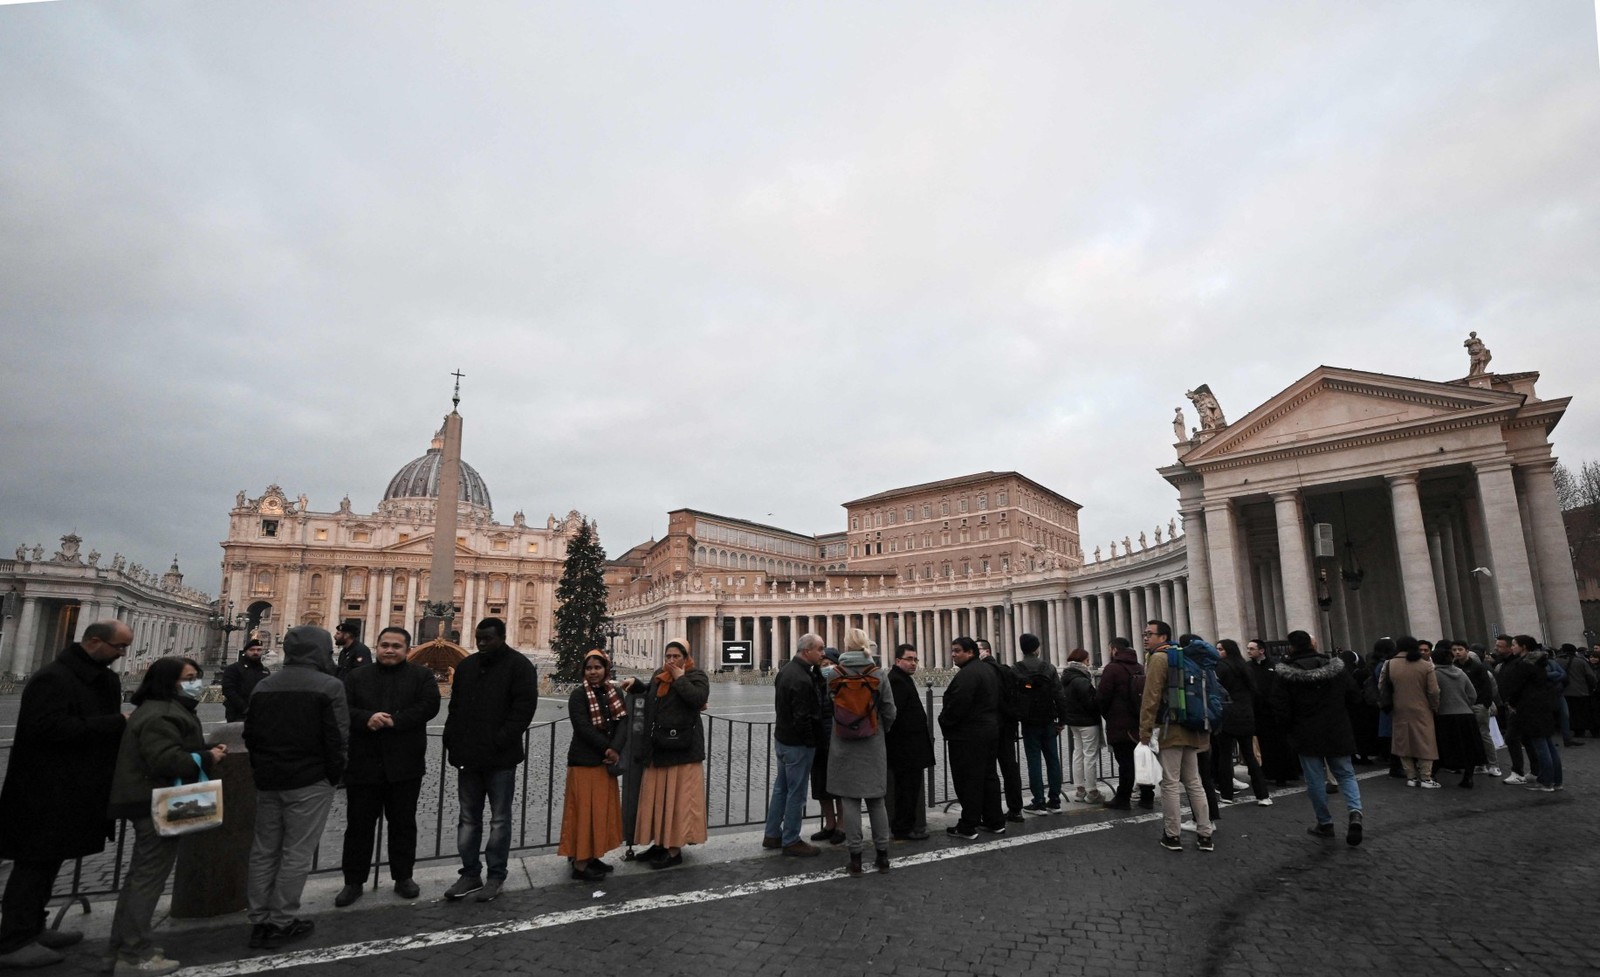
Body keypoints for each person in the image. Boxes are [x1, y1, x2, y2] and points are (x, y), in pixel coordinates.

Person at [0, 621, 128, 969]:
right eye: (118, 646)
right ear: (94, 641)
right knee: (33, 863)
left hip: (73, 785)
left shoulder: (99, 677)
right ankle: (13, 940)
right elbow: (46, 730)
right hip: (42, 788)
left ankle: (34, 926)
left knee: (49, 860)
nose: (122, 654)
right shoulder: (52, 679)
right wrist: (114, 723)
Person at [106, 658, 225, 976]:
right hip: (157, 803)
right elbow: (165, 760)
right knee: (147, 880)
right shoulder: (162, 713)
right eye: (189, 677)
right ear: (168, 681)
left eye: (197, 677)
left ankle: (123, 945)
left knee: (139, 878)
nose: (196, 682)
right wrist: (207, 756)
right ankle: (134, 955)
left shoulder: (157, 708)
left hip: (152, 799)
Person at [242, 625, 348, 950]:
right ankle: (282, 921)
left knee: (264, 851)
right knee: (296, 853)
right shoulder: (330, 685)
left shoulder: (264, 685)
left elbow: (251, 734)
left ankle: (258, 919)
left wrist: (263, 768)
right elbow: (339, 738)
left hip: (269, 779)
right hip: (310, 781)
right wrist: (333, 775)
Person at [335, 627, 440, 907]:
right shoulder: (356, 676)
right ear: (377, 646)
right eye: (385, 645)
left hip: (404, 763)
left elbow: (430, 706)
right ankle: (353, 881)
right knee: (358, 826)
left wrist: (397, 720)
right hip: (363, 763)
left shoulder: (421, 676)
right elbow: (343, 708)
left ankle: (403, 876)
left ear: (407, 649)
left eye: (396, 646)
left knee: (403, 824)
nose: (390, 650)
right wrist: (366, 718)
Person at [442, 617, 539, 901]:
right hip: (468, 757)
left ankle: (496, 875)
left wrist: (500, 740)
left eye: (487, 639)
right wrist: (451, 738)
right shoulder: (467, 666)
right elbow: (455, 707)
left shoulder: (519, 666)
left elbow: (524, 709)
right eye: (478, 639)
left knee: (499, 820)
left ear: (502, 637)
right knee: (468, 819)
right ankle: (470, 874)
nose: (482, 644)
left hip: (500, 758)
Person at [1272, 629, 1365, 846]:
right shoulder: (1336, 667)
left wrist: (1287, 729)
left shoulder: (1285, 673)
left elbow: (1280, 706)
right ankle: (1355, 813)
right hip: (1337, 727)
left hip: (1305, 731)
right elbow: (1353, 695)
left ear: (1291, 647)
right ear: (1312, 645)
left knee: (1314, 779)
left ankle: (1325, 822)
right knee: (1346, 774)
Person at [627, 640, 710, 869]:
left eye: (676, 656)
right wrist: (636, 685)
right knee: (659, 799)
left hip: (683, 749)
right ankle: (660, 844)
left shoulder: (696, 676)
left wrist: (680, 677)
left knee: (677, 801)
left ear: (685, 657)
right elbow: (651, 692)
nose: (671, 661)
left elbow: (697, 699)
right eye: (668, 656)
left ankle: (674, 851)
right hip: (659, 746)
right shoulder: (659, 674)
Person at [1137, 620, 1214, 853]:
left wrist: (1144, 731)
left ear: (1163, 637)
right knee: (1194, 782)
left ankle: (1172, 835)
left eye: (1149, 634)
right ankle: (1205, 834)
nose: (1145, 638)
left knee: (1170, 783)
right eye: (1145, 633)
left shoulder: (1159, 659)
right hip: (1192, 726)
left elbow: (1150, 698)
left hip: (1170, 729)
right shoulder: (1185, 657)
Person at [826, 629, 897, 875]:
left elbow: (829, 706)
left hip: (843, 743)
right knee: (877, 801)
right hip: (872, 742)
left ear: (846, 646)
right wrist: (879, 730)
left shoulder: (833, 674)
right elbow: (890, 710)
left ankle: (855, 859)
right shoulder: (879, 674)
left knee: (850, 801)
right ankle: (883, 856)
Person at [559, 652, 628, 881]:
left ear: (605, 669)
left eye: (597, 667)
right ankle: (579, 863)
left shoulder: (614, 693)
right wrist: (607, 748)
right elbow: (582, 727)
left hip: (604, 763)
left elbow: (622, 722)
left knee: (598, 812)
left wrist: (616, 748)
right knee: (583, 813)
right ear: (584, 671)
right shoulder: (579, 695)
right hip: (584, 761)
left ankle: (592, 855)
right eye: (589, 668)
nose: (593, 671)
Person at [762, 633, 825, 857]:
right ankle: (791, 839)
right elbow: (803, 717)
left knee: (781, 789)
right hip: (797, 744)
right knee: (796, 793)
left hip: (782, 739)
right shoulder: (801, 678)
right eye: (819, 649)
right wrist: (811, 742)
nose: (823, 653)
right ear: (806, 651)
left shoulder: (786, 671)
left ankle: (772, 834)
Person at [939, 637, 1004, 839]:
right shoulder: (988, 670)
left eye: (957, 651)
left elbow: (958, 706)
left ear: (970, 652)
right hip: (990, 731)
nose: (953, 654)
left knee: (969, 780)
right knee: (989, 777)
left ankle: (968, 825)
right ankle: (995, 821)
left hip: (969, 735)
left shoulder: (968, 674)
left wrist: (944, 721)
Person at [1498, 635, 1563, 792]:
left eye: (1514, 645)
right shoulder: (1540, 662)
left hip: (1529, 708)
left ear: (1524, 647)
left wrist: (1511, 702)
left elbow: (1516, 687)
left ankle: (1546, 782)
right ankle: (1557, 781)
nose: (1512, 647)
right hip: (1542, 706)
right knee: (1548, 744)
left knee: (1540, 745)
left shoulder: (1524, 665)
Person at [1013, 634, 1068, 814]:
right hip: (1048, 720)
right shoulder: (1048, 667)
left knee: (1034, 761)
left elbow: (1012, 696)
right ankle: (1055, 800)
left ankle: (1038, 801)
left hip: (1029, 721)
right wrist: (1062, 720)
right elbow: (1059, 695)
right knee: (1053, 760)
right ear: (1037, 648)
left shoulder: (1016, 669)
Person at [885, 644, 934, 840]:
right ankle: (903, 828)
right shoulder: (897, 681)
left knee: (908, 788)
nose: (913, 663)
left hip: (907, 746)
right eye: (909, 659)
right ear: (898, 661)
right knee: (906, 789)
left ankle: (904, 825)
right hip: (905, 747)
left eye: (915, 659)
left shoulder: (900, 678)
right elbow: (893, 714)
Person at [1213, 639, 1270, 806]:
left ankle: (1227, 794)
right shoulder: (1246, 666)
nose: (1218, 652)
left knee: (1225, 757)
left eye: (1220, 649)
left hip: (1228, 714)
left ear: (1227, 651)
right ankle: (1263, 795)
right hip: (1245, 714)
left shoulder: (1221, 667)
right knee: (1250, 756)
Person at [1383, 636, 1441, 788]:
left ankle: (1411, 776)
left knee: (1404, 742)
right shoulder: (1425, 665)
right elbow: (1434, 691)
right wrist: (1434, 706)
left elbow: (1382, 686)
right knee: (1425, 741)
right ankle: (1426, 777)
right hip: (1422, 708)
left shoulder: (1389, 664)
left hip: (1399, 708)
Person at [977, 639, 1025, 823]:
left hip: (989, 726)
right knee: (1010, 768)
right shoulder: (1006, 670)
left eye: (977, 649)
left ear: (986, 651)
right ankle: (1016, 809)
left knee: (988, 771)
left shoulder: (982, 671)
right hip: (1008, 725)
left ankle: (990, 812)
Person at [1095, 637, 1145, 811]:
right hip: (1138, 721)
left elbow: (1102, 696)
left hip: (1120, 723)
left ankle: (1123, 798)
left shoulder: (1113, 669)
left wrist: (1107, 714)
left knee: (1125, 763)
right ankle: (1147, 796)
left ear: (1114, 650)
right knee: (1141, 760)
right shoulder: (1139, 667)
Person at [1432, 645, 1486, 787]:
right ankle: (1468, 777)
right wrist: (1465, 703)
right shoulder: (1461, 673)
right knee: (1469, 748)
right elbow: (1472, 694)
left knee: (1443, 748)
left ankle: (1431, 775)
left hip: (1445, 715)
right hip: (1466, 714)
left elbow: (1433, 694)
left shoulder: (1434, 674)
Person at [808, 648, 844, 844]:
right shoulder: (814, 682)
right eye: (823, 665)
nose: (826, 668)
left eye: (829, 664)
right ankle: (829, 824)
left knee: (840, 785)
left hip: (837, 738)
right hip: (818, 739)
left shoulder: (842, 683)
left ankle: (842, 825)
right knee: (821, 785)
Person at [1060, 649, 1102, 804]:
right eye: (1088, 660)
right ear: (1083, 660)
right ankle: (1092, 791)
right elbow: (1090, 702)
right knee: (1090, 755)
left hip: (1073, 721)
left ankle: (1079, 790)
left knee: (1078, 754)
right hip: (1087, 721)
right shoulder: (1081, 680)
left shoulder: (1066, 677)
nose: (1089, 663)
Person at [220, 639, 269, 722]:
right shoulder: (233, 669)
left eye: (259, 650)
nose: (255, 652)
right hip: (238, 713)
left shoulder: (265, 671)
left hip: (260, 714)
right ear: (245, 652)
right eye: (252, 650)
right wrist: (245, 708)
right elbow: (228, 690)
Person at [1555, 643, 1594, 745]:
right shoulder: (1580, 661)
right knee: (1581, 711)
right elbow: (1590, 676)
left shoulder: (1557, 661)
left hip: (1563, 691)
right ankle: (1580, 730)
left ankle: (1569, 729)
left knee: (1567, 713)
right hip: (1581, 690)